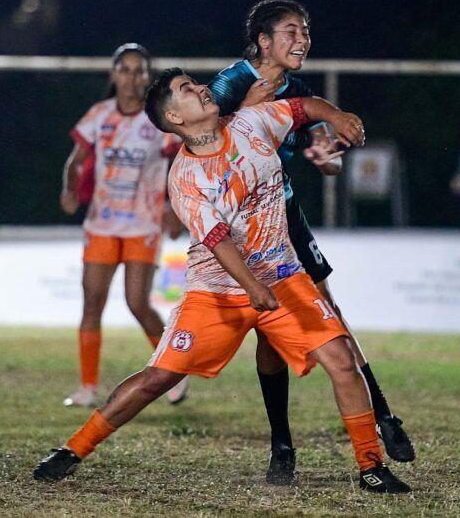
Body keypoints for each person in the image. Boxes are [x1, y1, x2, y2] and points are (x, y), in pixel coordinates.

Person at [33, 69, 412, 494]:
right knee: (158, 377)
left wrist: (337, 116)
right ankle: (73, 450)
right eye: (187, 90)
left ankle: (370, 467)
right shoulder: (184, 178)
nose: (200, 88)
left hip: (284, 278)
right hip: (214, 293)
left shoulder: (251, 123)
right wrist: (252, 288)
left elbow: (303, 108)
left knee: (342, 360)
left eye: (195, 83)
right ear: (175, 117)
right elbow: (216, 240)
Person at [207, 0, 414, 483]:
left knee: (330, 310)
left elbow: (325, 154)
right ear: (263, 41)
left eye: (306, 31)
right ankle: (282, 443)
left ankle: (383, 415)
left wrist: (325, 156)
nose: (303, 39)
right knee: (270, 335)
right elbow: (201, 136)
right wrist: (243, 113)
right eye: (291, 30)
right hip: (240, 226)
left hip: (286, 215)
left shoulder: (297, 90)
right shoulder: (230, 83)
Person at [59, 44, 188, 407]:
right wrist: (69, 189)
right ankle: (87, 387)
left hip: (143, 225)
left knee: (137, 303)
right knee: (91, 304)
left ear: (148, 78)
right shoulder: (99, 115)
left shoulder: (158, 120)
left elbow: (182, 163)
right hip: (102, 224)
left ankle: (173, 374)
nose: (132, 78)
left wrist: (175, 209)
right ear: (113, 75)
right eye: (125, 70)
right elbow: (76, 159)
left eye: (139, 71)